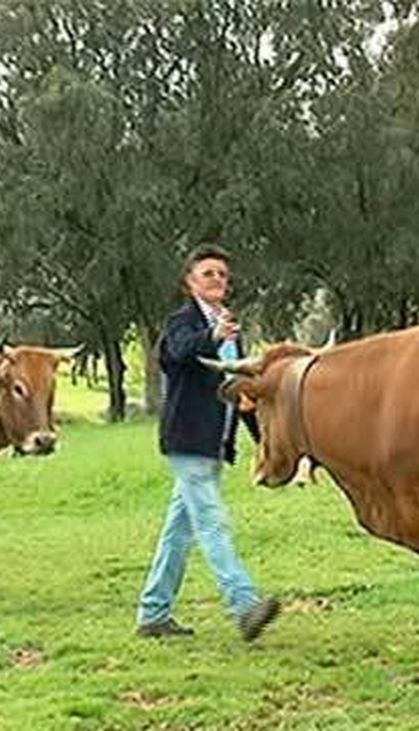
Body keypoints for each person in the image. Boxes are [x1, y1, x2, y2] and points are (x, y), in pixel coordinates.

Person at [135, 244, 280, 641]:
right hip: (187, 440)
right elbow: (175, 354)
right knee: (213, 523)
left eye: (222, 275)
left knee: (179, 531)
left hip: (214, 445)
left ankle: (153, 613)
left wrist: (263, 441)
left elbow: (242, 393)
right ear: (189, 282)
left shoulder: (231, 329)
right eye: (208, 273)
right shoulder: (182, 323)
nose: (217, 280)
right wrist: (211, 335)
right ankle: (244, 605)